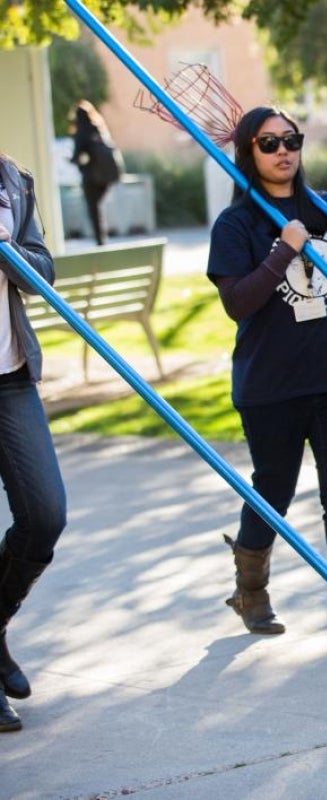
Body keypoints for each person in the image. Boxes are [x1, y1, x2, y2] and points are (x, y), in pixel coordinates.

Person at [206, 106, 327, 651]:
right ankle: (250, 589)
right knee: (273, 489)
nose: (284, 150)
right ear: (249, 152)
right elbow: (238, 304)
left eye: (292, 139)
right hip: (271, 385)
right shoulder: (238, 224)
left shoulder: (326, 208)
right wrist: (282, 250)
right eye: (269, 143)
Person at [0, 153, 70, 732]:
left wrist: (11, 249)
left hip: (9, 380)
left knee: (45, 514)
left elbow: (44, 270)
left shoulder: (13, 179)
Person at [70, 100, 123, 246]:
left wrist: (77, 163)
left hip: (92, 176)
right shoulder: (100, 129)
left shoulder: (81, 133)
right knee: (98, 206)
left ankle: (100, 240)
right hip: (108, 176)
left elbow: (76, 157)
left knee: (93, 208)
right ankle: (102, 238)